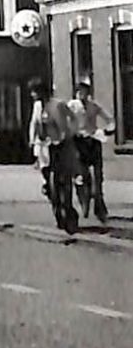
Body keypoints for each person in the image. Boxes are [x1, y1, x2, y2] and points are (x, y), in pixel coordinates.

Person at [30, 79, 81, 233]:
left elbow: (72, 118)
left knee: (63, 179)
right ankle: (57, 208)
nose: (33, 95)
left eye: (35, 92)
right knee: (50, 182)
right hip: (46, 147)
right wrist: (33, 141)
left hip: (62, 145)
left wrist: (69, 133)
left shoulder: (57, 104)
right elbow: (34, 124)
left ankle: (68, 211)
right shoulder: (37, 106)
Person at [68, 81, 113, 224]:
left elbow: (109, 118)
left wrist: (109, 129)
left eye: (85, 91)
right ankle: (84, 200)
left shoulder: (94, 106)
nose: (82, 94)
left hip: (93, 141)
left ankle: (99, 205)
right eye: (79, 91)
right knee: (82, 174)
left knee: (98, 175)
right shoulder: (72, 106)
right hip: (78, 142)